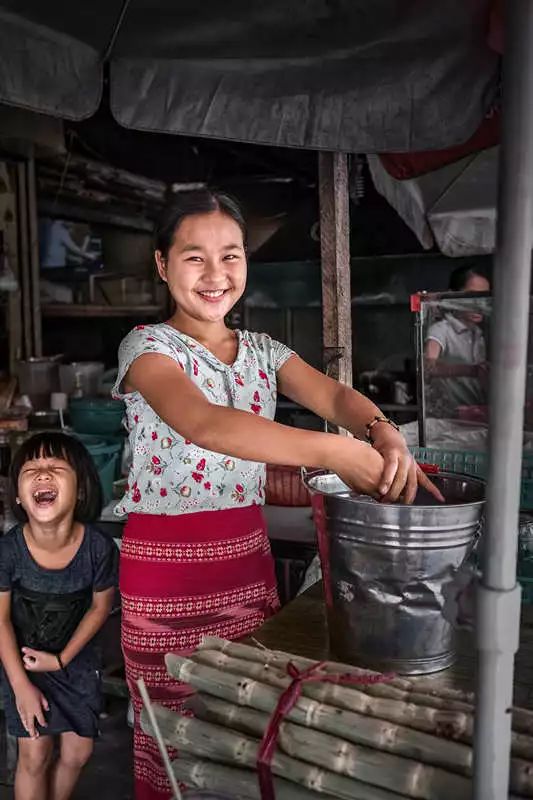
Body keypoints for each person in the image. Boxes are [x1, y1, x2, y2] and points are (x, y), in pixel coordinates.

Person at [113, 188, 440, 799]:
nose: (216, 276)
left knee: (246, 735)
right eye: (194, 258)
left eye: (231, 256)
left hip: (247, 564)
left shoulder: (265, 352)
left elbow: (338, 398)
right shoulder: (147, 349)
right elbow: (204, 423)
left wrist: (380, 430)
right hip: (164, 580)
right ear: (162, 264)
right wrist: (338, 451)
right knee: (173, 746)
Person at [0, 433, 118, 800]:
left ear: (81, 489)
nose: (42, 475)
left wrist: (63, 659)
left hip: (76, 662)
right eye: (31, 469)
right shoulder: (8, 550)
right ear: (19, 496)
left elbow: (101, 608)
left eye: (56, 468)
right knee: (34, 754)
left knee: (78, 752)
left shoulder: (98, 547)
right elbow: (0, 621)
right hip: (23, 663)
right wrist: (21, 687)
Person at [424, 264, 490, 418]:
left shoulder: (479, 334)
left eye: (485, 297)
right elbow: (427, 367)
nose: (479, 303)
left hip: (476, 414)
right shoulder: (441, 330)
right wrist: (471, 370)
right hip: (450, 417)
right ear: (453, 297)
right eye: (472, 296)